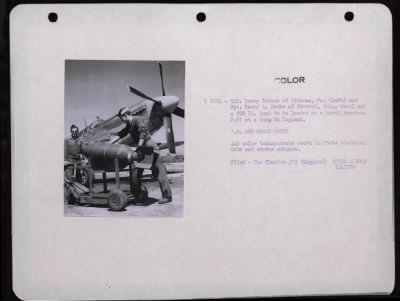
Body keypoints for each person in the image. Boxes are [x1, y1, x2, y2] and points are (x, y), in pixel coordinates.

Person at [118, 107, 172, 204]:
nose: (122, 121)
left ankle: (138, 196)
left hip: (147, 147)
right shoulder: (132, 124)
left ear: (125, 116)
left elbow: (143, 132)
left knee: (136, 171)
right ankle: (167, 196)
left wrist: (139, 146)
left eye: (122, 119)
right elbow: (128, 136)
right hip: (150, 146)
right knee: (158, 170)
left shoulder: (136, 119)